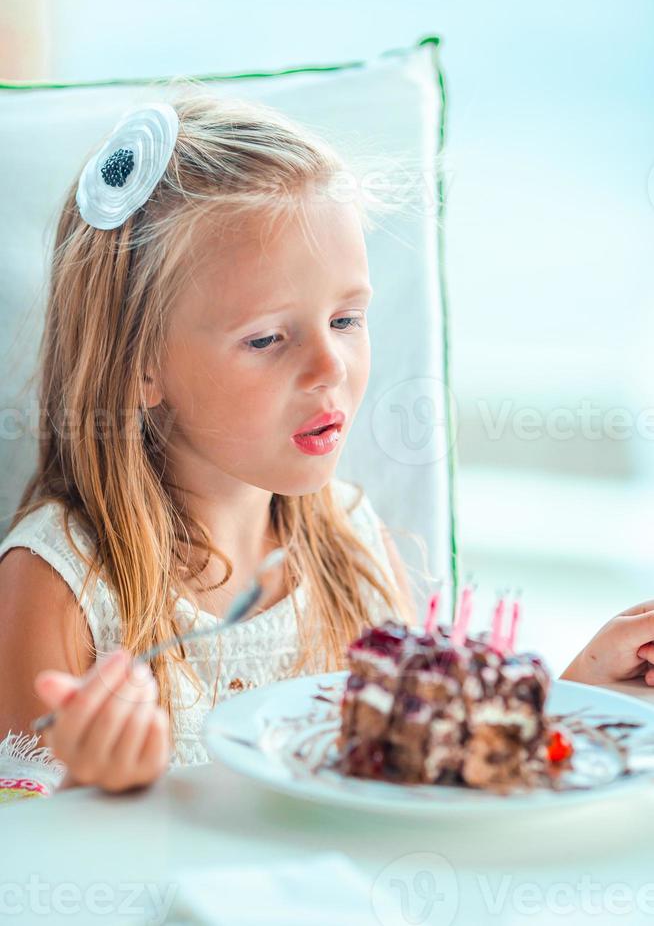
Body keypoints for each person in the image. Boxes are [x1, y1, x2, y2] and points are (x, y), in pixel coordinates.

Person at [0, 93, 418, 797]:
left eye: (346, 318)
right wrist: (93, 787)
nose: (330, 369)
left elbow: (435, 771)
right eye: (265, 338)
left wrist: (582, 701)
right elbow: (26, 853)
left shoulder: (358, 547)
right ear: (141, 366)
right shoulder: (61, 585)